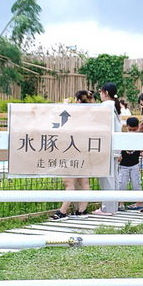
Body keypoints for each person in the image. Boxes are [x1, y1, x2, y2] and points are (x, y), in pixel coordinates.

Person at [50, 89, 95, 220]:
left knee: (69, 182)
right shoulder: (90, 114)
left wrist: (64, 106)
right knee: (84, 181)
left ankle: (63, 211)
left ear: (78, 101)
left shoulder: (74, 114)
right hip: (85, 149)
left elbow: (60, 122)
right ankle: (82, 210)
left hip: (71, 149)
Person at [93, 83, 123, 216]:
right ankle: (113, 207)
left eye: (100, 92)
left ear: (105, 92)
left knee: (107, 178)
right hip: (115, 147)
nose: (100, 94)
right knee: (114, 177)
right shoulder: (116, 106)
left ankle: (107, 208)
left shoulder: (106, 106)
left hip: (107, 146)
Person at [117, 116, 143, 209]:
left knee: (136, 183)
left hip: (135, 164)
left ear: (137, 127)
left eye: (134, 129)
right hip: (123, 165)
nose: (132, 131)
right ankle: (120, 203)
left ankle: (139, 202)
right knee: (122, 184)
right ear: (126, 127)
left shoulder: (139, 136)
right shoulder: (123, 136)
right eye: (130, 129)